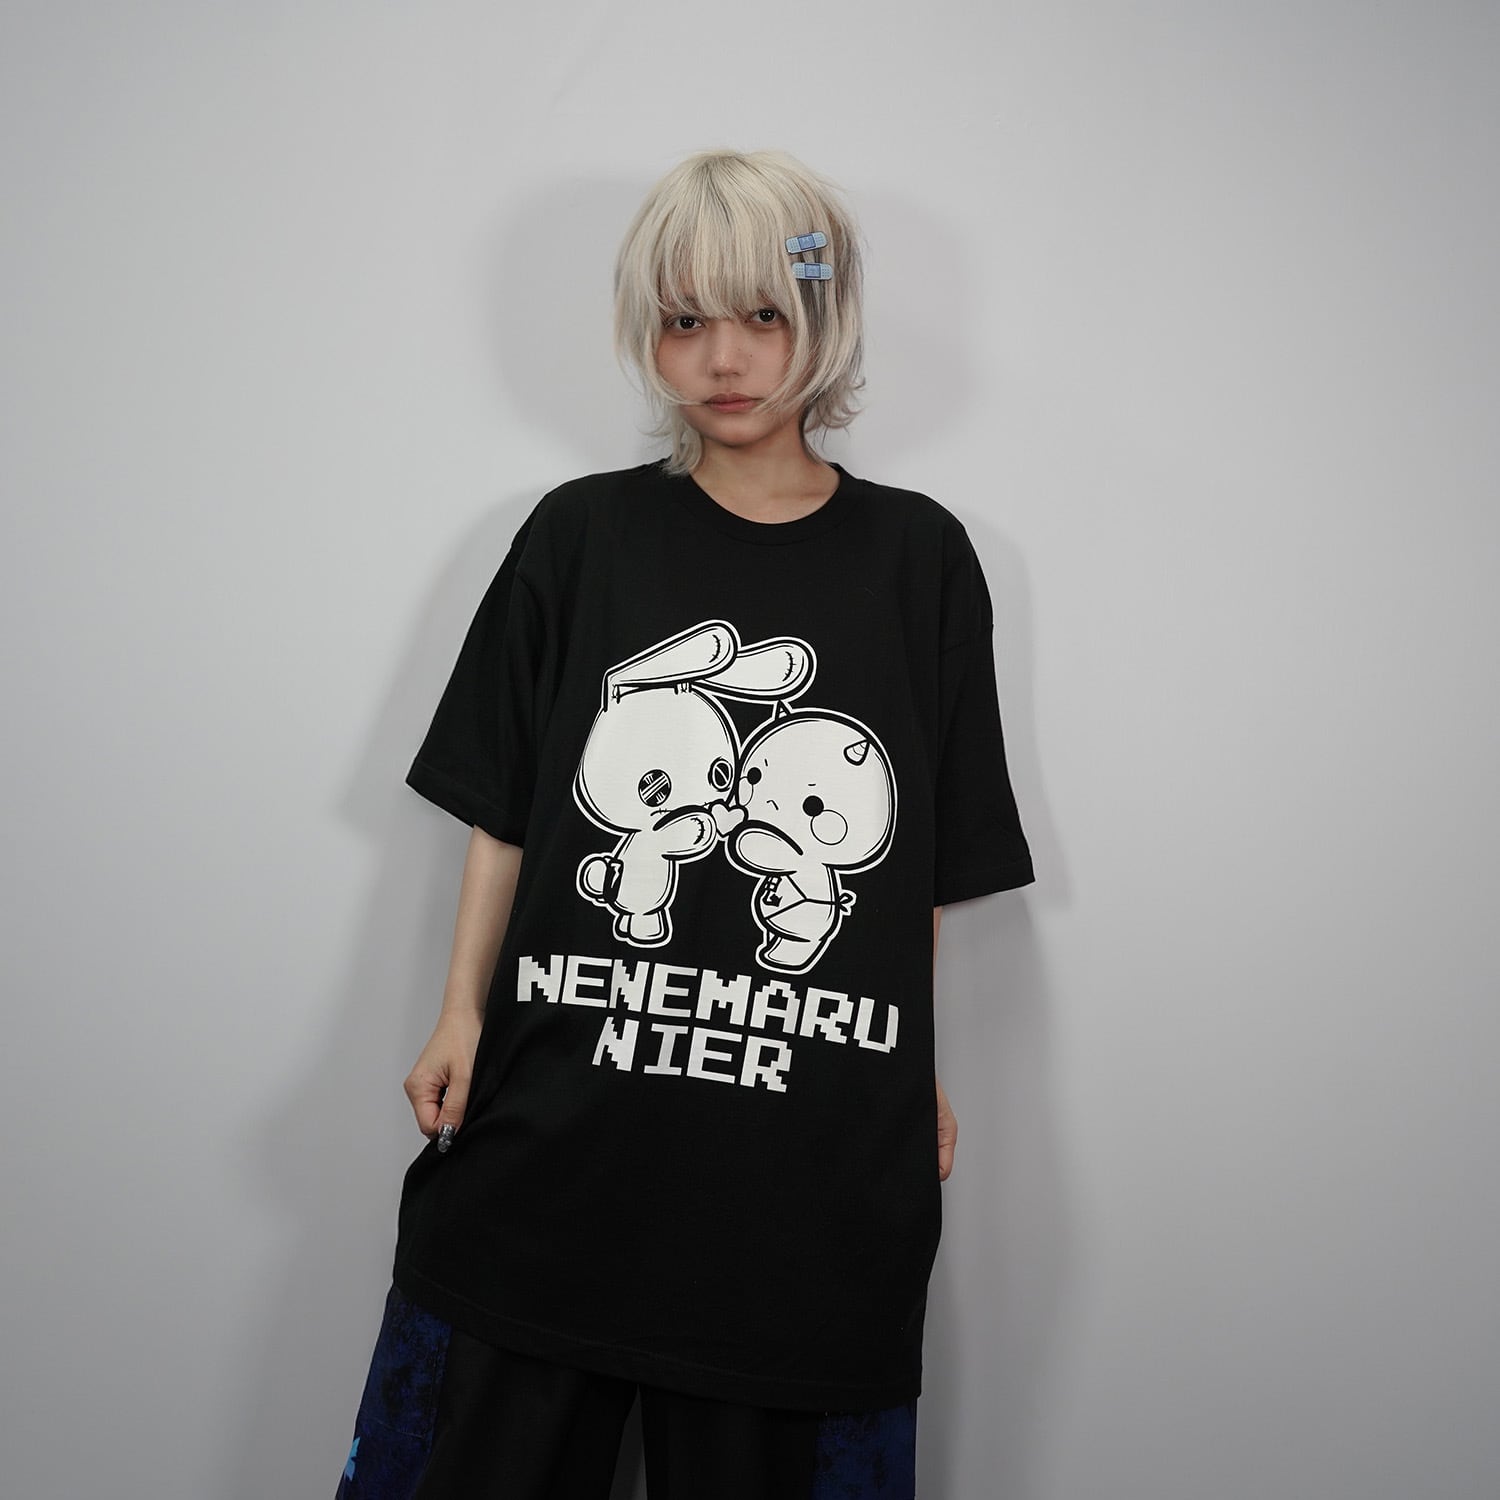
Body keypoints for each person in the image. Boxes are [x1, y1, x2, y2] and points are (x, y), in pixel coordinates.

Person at [336, 148, 1034, 1500]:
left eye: (765, 314)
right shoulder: (579, 537)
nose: (724, 357)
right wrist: (461, 1012)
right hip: (556, 1144)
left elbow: (919, 865)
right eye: (684, 319)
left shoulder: (921, 561)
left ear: (824, 318)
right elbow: (505, 805)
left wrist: (915, 1070)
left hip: (805, 1181)